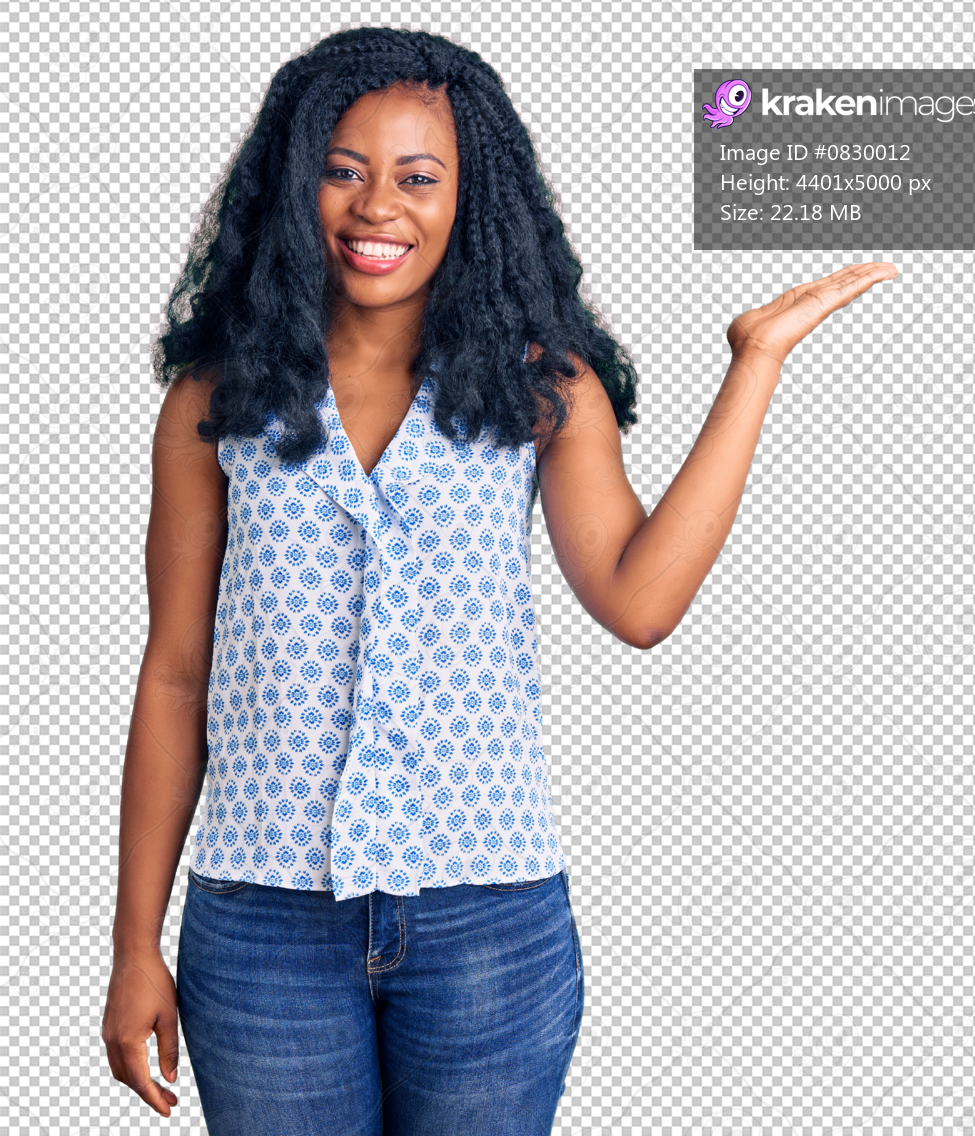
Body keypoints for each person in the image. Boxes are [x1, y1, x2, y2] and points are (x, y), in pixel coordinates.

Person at [100, 25, 897, 1136]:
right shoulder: (215, 397)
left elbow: (639, 599)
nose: (380, 206)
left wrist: (753, 363)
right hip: (262, 924)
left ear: (469, 198)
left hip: (489, 924)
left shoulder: (535, 387)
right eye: (344, 170)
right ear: (294, 187)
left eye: (419, 178)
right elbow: (177, 674)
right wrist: (135, 941)